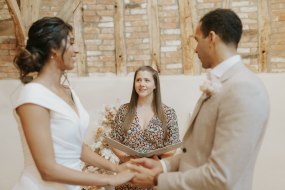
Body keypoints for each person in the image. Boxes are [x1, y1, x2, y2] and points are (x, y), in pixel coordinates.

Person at [127, 8, 270, 190]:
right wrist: (163, 166)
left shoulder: (244, 89)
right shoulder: (222, 83)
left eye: (196, 40)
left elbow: (221, 176)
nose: (195, 49)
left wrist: (157, 180)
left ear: (211, 38)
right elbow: (199, 152)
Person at [12, 17, 133, 190]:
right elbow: (48, 170)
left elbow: (78, 149)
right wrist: (110, 180)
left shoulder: (68, 91)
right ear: (53, 49)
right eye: (71, 43)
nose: (76, 50)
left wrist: (116, 168)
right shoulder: (33, 95)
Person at [110, 66, 181, 189]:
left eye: (147, 80)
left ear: (155, 85)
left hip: (153, 176)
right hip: (128, 174)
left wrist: (155, 162)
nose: (142, 84)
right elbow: (114, 141)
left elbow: (173, 145)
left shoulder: (168, 112)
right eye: (138, 80)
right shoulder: (123, 110)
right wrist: (128, 160)